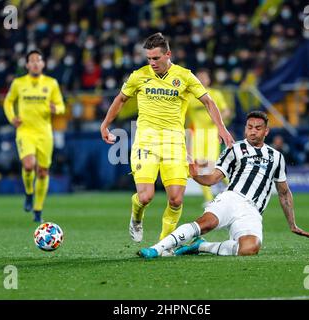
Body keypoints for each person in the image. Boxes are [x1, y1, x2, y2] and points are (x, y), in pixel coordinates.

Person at [100, 33, 234, 243]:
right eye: (148, 59)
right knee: (145, 197)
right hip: (145, 141)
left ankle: (164, 244)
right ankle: (136, 216)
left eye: (156, 58)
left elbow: (208, 101)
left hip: (174, 143)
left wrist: (222, 129)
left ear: (168, 54)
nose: (151, 63)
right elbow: (121, 99)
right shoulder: (139, 76)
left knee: (176, 199)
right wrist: (105, 124)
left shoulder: (185, 76)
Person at [138, 111, 309, 259]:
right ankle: (156, 249)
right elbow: (213, 179)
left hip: (252, 211)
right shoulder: (234, 149)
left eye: (258, 128)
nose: (253, 131)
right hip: (231, 198)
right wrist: (195, 174)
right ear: (245, 129)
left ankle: (201, 247)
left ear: (266, 131)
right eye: (249, 127)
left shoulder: (277, 157)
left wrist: (292, 224)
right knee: (205, 224)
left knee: (249, 249)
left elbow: (284, 192)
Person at [3, 50, 65, 222]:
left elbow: (61, 106)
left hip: (45, 132)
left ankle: (38, 210)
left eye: (39, 60)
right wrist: (12, 117)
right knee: (29, 165)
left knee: (43, 172)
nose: (36, 63)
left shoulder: (51, 83)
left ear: (43, 64)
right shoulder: (18, 83)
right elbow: (8, 101)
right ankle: (29, 192)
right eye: (32, 61)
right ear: (27, 65)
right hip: (25, 131)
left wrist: (56, 109)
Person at [186, 68, 231, 206]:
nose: (201, 80)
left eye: (204, 77)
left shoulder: (215, 94)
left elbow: (227, 111)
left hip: (212, 133)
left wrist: (218, 119)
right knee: (200, 166)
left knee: (212, 165)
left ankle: (233, 190)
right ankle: (208, 199)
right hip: (197, 134)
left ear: (209, 79)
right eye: (199, 77)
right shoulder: (189, 96)